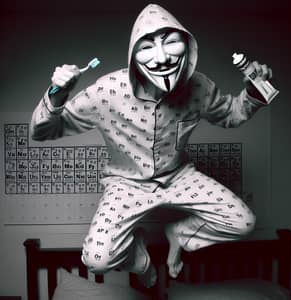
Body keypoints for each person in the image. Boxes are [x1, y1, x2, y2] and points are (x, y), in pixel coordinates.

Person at [30, 4, 274, 288]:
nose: (161, 57)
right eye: (147, 47)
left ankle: (178, 235)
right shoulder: (106, 91)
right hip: (126, 183)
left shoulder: (199, 87)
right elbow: (42, 130)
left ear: (187, 44)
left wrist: (256, 92)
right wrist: (57, 92)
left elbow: (231, 114)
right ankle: (142, 262)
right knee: (97, 259)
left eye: (170, 42)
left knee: (242, 221)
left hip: (179, 177)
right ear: (133, 53)